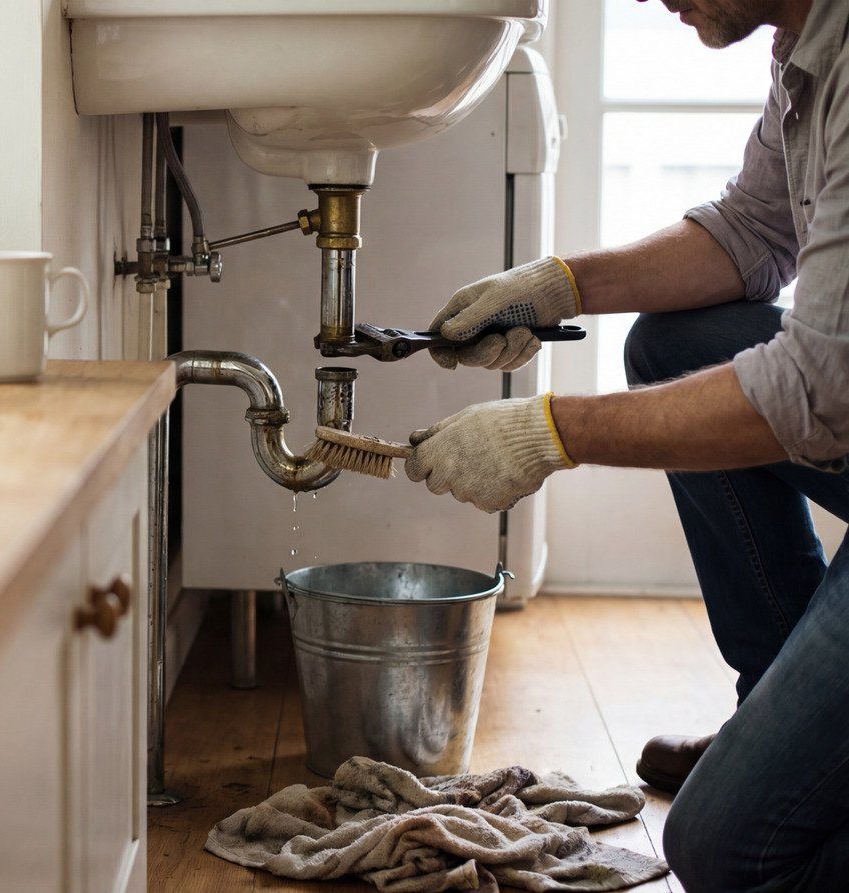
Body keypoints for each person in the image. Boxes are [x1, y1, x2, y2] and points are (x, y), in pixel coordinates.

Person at [409, 0, 849, 888]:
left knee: (724, 849)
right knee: (671, 343)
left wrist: (550, 432)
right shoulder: (808, 46)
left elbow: (820, 388)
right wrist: (557, 285)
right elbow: (753, 232)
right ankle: (776, 705)